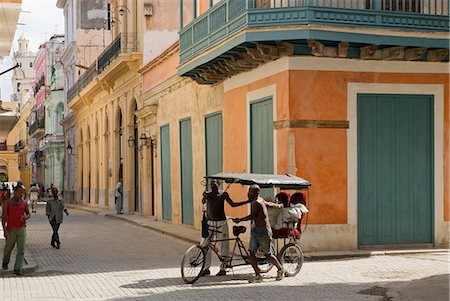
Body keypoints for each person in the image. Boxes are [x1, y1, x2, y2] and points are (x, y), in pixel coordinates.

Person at [233, 184, 285, 283]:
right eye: (249, 191)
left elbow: (252, 215)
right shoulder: (260, 200)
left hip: (263, 231)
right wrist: (278, 205)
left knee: (268, 255)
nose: (248, 193)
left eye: (250, 192)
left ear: (256, 193)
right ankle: (257, 275)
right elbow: (269, 204)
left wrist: (240, 219)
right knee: (252, 252)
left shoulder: (257, 202)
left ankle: (280, 269)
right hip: (256, 230)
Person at [200, 179, 251, 277]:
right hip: (209, 222)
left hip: (221, 222)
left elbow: (233, 204)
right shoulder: (208, 194)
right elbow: (203, 202)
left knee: (223, 245)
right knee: (204, 244)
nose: (212, 186)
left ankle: (223, 267)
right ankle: (206, 268)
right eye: (211, 184)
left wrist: (247, 201)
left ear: (218, 184)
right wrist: (204, 197)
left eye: (214, 184)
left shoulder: (223, 194)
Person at [2, 186, 31, 275]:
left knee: (21, 249)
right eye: (19, 193)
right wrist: (4, 230)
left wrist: (25, 217)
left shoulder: (24, 203)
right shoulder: (7, 203)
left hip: (21, 229)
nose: (21, 195)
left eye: (22, 193)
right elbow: (3, 217)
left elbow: (28, 214)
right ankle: (5, 262)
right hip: (11, 230)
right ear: (15, 192)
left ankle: (17, 269)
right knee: (8, 248)